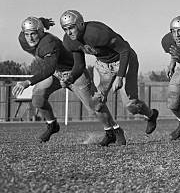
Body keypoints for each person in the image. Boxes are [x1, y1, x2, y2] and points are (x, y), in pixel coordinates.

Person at [12, 16, 125, 146]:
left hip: (74, 73)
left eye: (33, 34)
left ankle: (114, 131)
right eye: (27, 34)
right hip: (57, 73)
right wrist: (43, 21)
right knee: (38, 98)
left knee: (94, 106)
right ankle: (52, 125)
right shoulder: (23, 38)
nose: (30, 38)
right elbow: (34, 25)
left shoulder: (48, 43)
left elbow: (49, 68)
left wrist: (27, 82)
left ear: (41, 32)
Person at [59, 10, 158, 137]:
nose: (69, 32)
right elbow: (79, 65)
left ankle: (151, 114)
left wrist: (120, 76)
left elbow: (124, 49)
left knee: (131, 105)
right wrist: (70, 77)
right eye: (65, 29)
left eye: (71, 28)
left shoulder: (97, 33)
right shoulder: (69, 40)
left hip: (124, 60)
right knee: (96, 103)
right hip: (103, 65)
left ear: (81, 24)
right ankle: (111, 133)